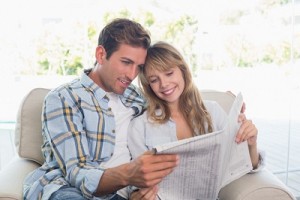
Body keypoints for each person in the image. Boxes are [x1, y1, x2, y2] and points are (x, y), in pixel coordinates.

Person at [23, 19, 179, 200]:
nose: (132, 74)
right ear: (100, 54)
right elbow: (76, 172)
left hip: (121, 193)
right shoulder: (64, 97)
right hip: (69, 189)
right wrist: (128, 174)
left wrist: (139, 192)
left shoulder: (137, 97)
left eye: (139, 67)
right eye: (126, 62)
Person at [127, 41, 263, 198]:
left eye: (169, 73)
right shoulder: (139, 126)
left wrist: (251, 144)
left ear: (183, 71)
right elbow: (135, 184)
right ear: (148, 85)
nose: (164, 84)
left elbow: (244, 166)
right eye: (154, 80)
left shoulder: (213, 111)